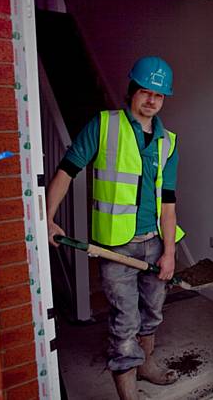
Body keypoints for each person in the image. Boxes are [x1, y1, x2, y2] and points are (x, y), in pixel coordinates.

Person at [46, 56, 185, 400]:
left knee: (152, 314)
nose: (151, 100)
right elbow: (66, 172)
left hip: (154, 243)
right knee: (125, 323)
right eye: (145, 91)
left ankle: (147, 365)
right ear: (132, 91)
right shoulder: (104, 125)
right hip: (115, 247)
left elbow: (168, 202)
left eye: (159, 95)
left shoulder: (168, 141)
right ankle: (128, 395)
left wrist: (169, 253)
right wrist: (46, 217)